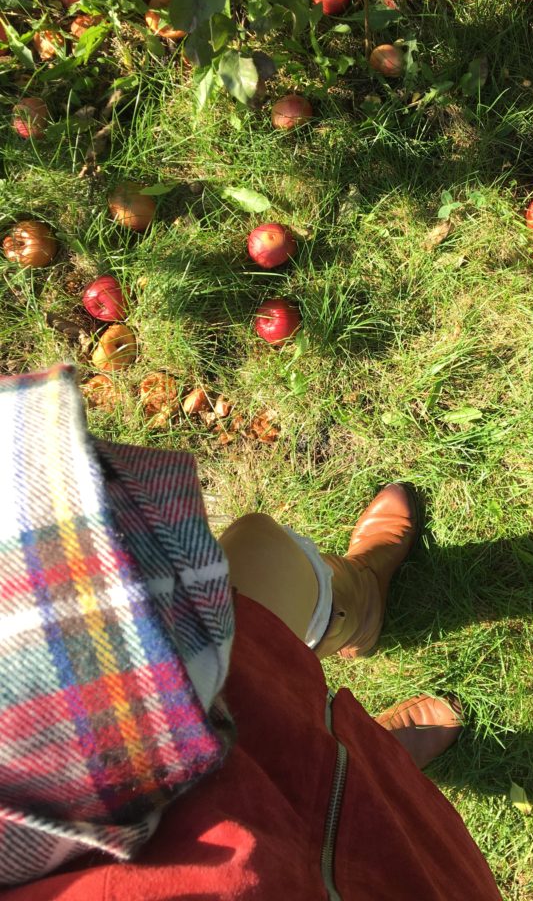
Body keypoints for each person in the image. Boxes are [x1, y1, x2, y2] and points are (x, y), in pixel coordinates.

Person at [0, 365, 502, 900]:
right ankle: (380, 762)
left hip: (106, 754)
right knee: (382, 822)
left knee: (262, 553)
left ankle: (360, 606)